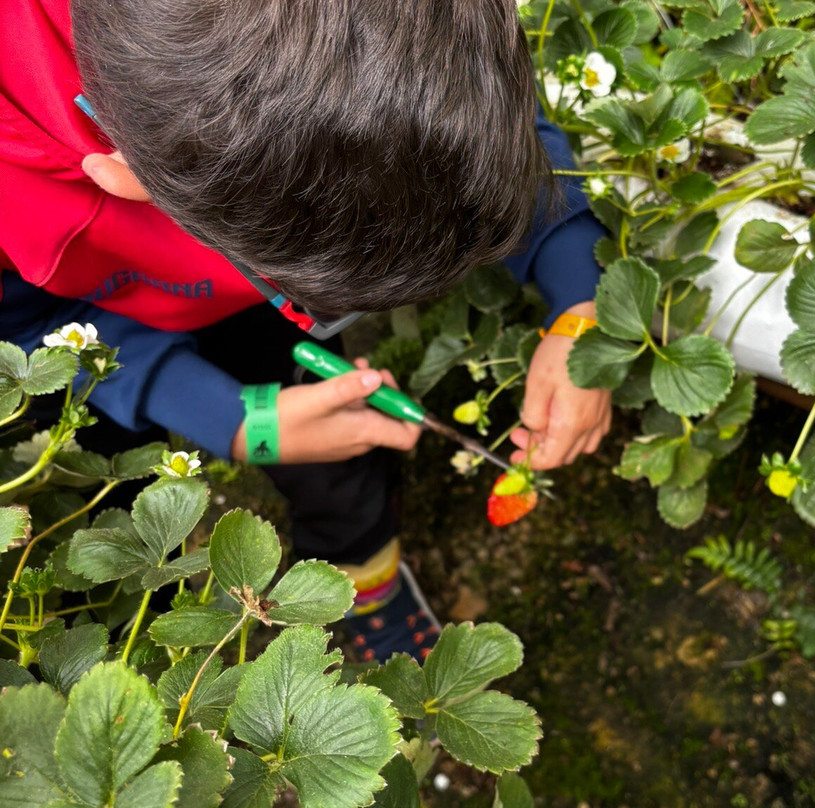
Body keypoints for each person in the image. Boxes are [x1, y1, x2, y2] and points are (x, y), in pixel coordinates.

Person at [0, 0, 612, 661]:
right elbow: (33, 328)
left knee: (340, 458)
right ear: (121, 173)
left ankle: (365, 582)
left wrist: (579, 293)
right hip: (76, 314)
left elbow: (475, 116)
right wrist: (226, 418)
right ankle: (137, 633)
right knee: (118, 496)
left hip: (234, 274)